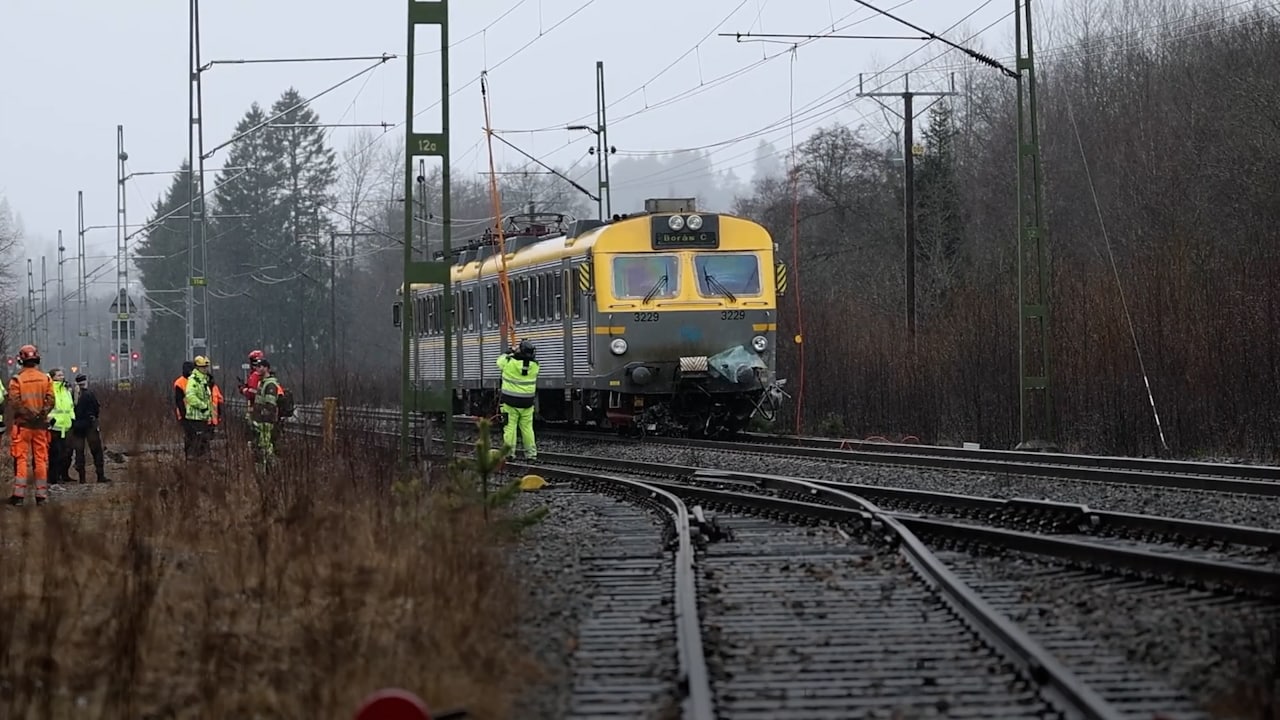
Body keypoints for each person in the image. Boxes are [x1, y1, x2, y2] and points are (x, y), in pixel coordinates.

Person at [7, 345, 54, 505]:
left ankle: (18, 496)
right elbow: (50, 400)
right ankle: (41, 497)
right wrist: (41, 415)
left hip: (23, 426)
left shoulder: (17, 379)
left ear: (21, 360)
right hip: (40, 427)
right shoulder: (46, 378)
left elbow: (15, 402)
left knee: (21, 459)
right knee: (40, 460)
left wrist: (28, 415)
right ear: (37, 359)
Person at [496, 339, 539, 461]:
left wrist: (510, 351)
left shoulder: (509, 363)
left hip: (510, 403)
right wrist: (518, 352)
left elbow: (499, 362)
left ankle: (509, 453)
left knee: (510, 428)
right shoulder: (535, 366)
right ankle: (531, 454)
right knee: (527, 429)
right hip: (527, 403)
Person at [70, 374, 107, 483]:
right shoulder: (89, 394)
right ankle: (100, 476)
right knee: (96, 451)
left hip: (77, 426)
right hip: (90, 426)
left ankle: (82, 478)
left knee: (79, 452)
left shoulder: (73, 394)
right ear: (85, 382)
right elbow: (96, 408)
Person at [248, 359, 283, 469]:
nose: (257, 369)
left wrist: (263, 416)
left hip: (266, 421)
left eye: (260, 366)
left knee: (265, 446)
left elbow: (270, 404)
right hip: (260, 420)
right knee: (260, 446)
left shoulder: (270, 384)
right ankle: (264, 470)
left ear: (266, 368)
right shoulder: (262, 383)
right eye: (257, 366)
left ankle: (272, 469)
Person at [47, 368, 75, 485]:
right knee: (55, 453)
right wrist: (49, 420)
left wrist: (72, 418)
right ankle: (53, 478)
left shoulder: (65, 389)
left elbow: (70, 406)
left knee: (66, 453)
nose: (62, 377)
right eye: (59, 375)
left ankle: (63, 475)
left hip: (66, 426)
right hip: (54, 426)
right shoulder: (49, 389)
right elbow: (47, 405)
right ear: (52, 377)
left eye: (62, 375)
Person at [183, 355, 214, 459]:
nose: (206, 369)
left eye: (206, 367)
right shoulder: (194, 381)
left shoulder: (203, 380)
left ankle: (201, 460)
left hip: (203, 417)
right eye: (203, 367)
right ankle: (195, 460)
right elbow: (190, 396)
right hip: (195, 417)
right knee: (197, 440)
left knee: (203, 441)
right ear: (198, 368)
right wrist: (203, 406)